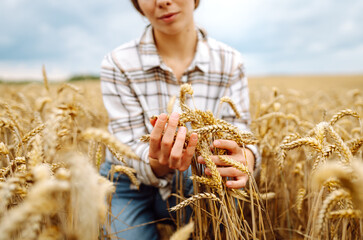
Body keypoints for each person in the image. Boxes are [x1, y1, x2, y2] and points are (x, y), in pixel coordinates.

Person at [99, 0, 260, 239]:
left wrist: (245, 156)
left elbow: (240, 132)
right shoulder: (118, 63)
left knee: (210, 224)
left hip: (200, 177)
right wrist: (158, 160)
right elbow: (128, 148)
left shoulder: (230, 61)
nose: (163, 1)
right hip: (128, 180)